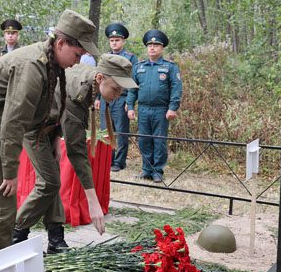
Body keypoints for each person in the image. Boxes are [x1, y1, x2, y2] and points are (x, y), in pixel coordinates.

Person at [0, 9, 101, 255]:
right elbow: (14, 121)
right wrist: (10, 171)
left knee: (7, 206)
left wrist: (54, 137)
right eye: (78, 54)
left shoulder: (52, 63)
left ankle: (4, 265)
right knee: (2, 207)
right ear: (62, 43)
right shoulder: (33, 66)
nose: (79, 61)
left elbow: (49, 108)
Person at [13, 54, 137, 253]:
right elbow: (76, 151)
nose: (118, 94)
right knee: (49, 183)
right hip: (33, 126)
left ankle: (55, 240)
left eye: (122, 90)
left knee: (53, 180)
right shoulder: (80, 89)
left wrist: (55, 136)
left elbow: (59, 107)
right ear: (100, 78)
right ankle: (16, 234)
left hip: (49, 125)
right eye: (116, 88)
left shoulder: (90, 80)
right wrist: (93, 203)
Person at [126, 30, 182, 182]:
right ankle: (146, 169)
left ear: (162, 48)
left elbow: (176, 89)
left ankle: (157, 170)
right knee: (144, 140)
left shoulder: (170, 67)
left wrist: (173, 108)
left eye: (156, 45)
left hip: (160, 110)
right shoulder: (139, 67)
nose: (152, 48)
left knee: (159, 140)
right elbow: (132, 88)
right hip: (143, 109)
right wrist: (130, 106)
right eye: (149, 45)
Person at [96, 23, 137, 173]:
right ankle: (107, 159)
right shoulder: (105, 57)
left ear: (123, 41)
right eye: (112, 40)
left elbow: (133, 81)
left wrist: (130, 102)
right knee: (105, 131)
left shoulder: (131, 58)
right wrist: (97, 97)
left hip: (121, 100)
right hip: (106, 100)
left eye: (117, 40)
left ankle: (119, 162)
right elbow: (99, 78)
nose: (114, 43)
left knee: (120, 133)